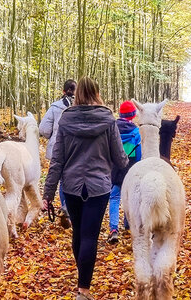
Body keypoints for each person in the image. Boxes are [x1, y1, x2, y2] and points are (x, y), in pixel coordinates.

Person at [42, 76, 128, 300]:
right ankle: (84, 290)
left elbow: (57, 160)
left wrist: (48, 194)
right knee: (90, 236)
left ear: (77, 93)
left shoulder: (65, 119)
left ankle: (82, 281)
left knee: (79, 233)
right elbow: (119, 158)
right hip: (98, 187)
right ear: (97, 93)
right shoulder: (108, 120)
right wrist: (126, 164)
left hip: (71, 186)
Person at [39, 79, 77, 229]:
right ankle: (69, 207)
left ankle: (65, 208)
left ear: (63, 91)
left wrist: (52, 136)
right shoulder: (80, 106)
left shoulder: (55, 107)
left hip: (57, 148)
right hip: (75, 149)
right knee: (73, 178)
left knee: (61, 179)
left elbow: (43, 129)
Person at [107, 100, 142, 244]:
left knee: (114, 198)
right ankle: (128, 223)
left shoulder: (112, 128)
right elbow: (138, 155)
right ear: (133, 116)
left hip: (115, 169)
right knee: (130, 197)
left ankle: (113, 229)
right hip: (131, 169)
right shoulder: (136, 132)